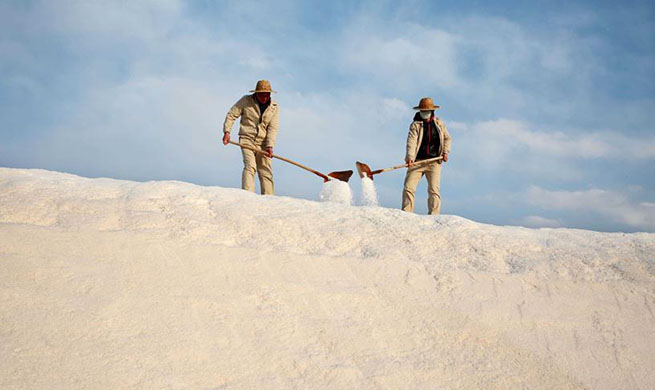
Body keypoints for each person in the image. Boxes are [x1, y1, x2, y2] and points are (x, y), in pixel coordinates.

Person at [222, 80, 280, 195]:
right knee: (250, 166)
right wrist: (227, 132)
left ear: (270, 94)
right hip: (246, 139)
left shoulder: (274, 107)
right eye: (261, 95)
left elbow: (273, 128)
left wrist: (269, 146)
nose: (264, 97)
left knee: (266, 171)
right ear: (256, 93)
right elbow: (231, 115)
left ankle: (269, 199)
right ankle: (247, 196)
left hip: (263, 143)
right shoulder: (245, 101)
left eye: (266, 95)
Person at [402, 97, 452, 215]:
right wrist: (409, 158)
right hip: (417, 161)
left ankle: (434, 215)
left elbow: (447, 138)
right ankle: (406, 213)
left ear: (432, 111)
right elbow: (411, 141)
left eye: (427, 111)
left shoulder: (439, 123)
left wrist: (445, 152)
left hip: (434, 162)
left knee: (434, 190)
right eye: (422, 111)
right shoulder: (415, 125)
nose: (425, 113)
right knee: (409, 187)